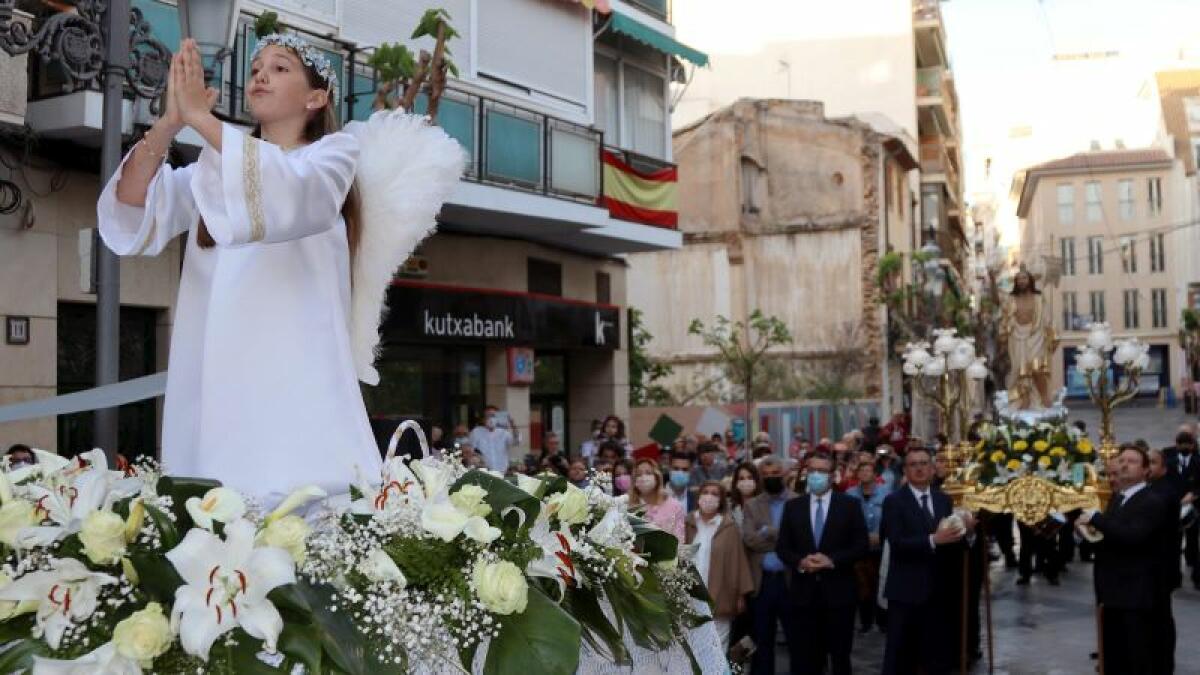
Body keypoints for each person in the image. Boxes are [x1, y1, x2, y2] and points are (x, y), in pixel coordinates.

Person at [97, 33, 467, 501]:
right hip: (218, 385)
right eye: (256, 68)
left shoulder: (332, 158)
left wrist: (202, 121)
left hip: (297, 385)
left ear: (316, 97)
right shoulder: (214, 172)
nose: (260, 75)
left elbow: (288, 193)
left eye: (279, 67)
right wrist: (170, 124)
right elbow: (130, 211)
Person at [1076, 444, 1169, 674]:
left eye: (1133, 461)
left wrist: (1096, 518)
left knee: (1137, 658)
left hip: (1137, 594)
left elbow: (1132, 535)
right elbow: (1109, 539)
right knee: (1115, 658)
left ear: (1146, 471)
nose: (1125, 464)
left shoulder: (1152, 501)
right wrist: (1084, 535)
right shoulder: (1119, 499)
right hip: (1113, 592)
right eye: (1122, 460)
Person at [881, 447, 974, 675]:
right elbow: (897, 542)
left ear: (932, 469)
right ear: (905, 470)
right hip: (905, 590)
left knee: (936, 654)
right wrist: (933, 539)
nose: (920, 468)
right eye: (913, 464)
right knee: (900, 655)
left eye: (924, 463)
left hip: (938, 590)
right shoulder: (894, 501)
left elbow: (952, 541)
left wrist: (968, 533)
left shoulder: (943, 500)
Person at [776, 452, 868, 675]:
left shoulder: (849, 505)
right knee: (805, 657)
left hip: (839, 594)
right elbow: (782, 547)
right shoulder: (793, 507)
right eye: (812, 470)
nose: (816, 475)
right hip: (803, 595)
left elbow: (861, 545)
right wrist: (800, 562)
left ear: (832, 475)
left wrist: (832, 560)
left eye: (822, 471)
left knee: (840, 657)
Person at [741, 457, 797, 675]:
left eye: (776, 472)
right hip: (762, 582)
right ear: (761, 477)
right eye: (766, 474)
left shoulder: (797, 501)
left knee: (797, 639)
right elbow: (749, 539)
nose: (771, 477)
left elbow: (798, 541)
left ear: (784, 474)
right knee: (762, 642)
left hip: (791, 580)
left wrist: (766, 531)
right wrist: (777, 535)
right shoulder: (752, 505)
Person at [686, 481, 754, 649]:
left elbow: (738, 562)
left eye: (715, 494)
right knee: (692, 649)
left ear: (722, 500)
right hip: (690, 596)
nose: (709, 497)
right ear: (698, 497)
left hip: (720, 596)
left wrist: (740, 594)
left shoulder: (728, 526)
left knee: (716, 648)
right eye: (706, 492)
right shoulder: (688, 523)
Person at [1148, 447, 1184, 675]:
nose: (1149, 467)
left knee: (1161, 619)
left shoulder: (1165, 492)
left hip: (1162, 568)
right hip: (1156, 568)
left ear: (1163, 467)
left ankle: (1163, 665)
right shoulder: (1153, 489)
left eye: (1153, 463)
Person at [1000, 267, 1057, 409]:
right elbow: (1005, 318)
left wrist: (1052, 333)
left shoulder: (1038, 298)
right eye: (1018, 279)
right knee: (1020, 369)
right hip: (1017, 337)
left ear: (1030, 280)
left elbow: (1048, 318)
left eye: (1024, 278)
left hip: (1036, 335)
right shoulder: (1011, 299)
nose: (1021, 281)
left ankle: (1044, 398)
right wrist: (1004, 331)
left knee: (1037, 367)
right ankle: (1024, 400)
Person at [846, 461, 888, 633]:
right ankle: (865, 622)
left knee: (881, 583)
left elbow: (889, 518)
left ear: (874, 474)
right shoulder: (850, 494)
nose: (864, 473)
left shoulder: (885, 494)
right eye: (861, 470)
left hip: (880, 546)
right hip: (859, 547)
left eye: (867, 470)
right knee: (863, 586)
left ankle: (883, 621)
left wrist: (881, 535)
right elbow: (847, 520)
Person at [1164, 430, 1200, 588]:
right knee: (1174, 542)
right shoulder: (1168, 461)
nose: (1185, 447)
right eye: (1182, 444)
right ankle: (1174, 575)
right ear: (1177, 445)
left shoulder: (1198, 461)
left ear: (1192, 446)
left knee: (1193, 538)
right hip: (1174, 506)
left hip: (1194, 506)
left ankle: (1193, 565)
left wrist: (1194, 494)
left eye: (1188, 444)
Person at [628, 458, 685, 540]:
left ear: (657, 477)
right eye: (638, 474)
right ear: (634, 481)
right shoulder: (628, 506)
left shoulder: (675, 506)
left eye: (648, 473)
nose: (643, 477)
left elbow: (679, 539)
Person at [470, 405, 519, 474]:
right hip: (484, 472)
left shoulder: (503, 433)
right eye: (488, 416)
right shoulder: (476, 432)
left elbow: (516, 441)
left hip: (502, 472)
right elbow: (472, 451)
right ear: (483, 418)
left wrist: (513, 425)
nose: (491, 418)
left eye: (493, 416)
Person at [729, 462, 762, 529]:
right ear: (736, 483)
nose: (746, 481)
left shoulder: (764, 505)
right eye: (741, 478)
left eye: (750, 478)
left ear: (756, 481)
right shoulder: (729, 508)